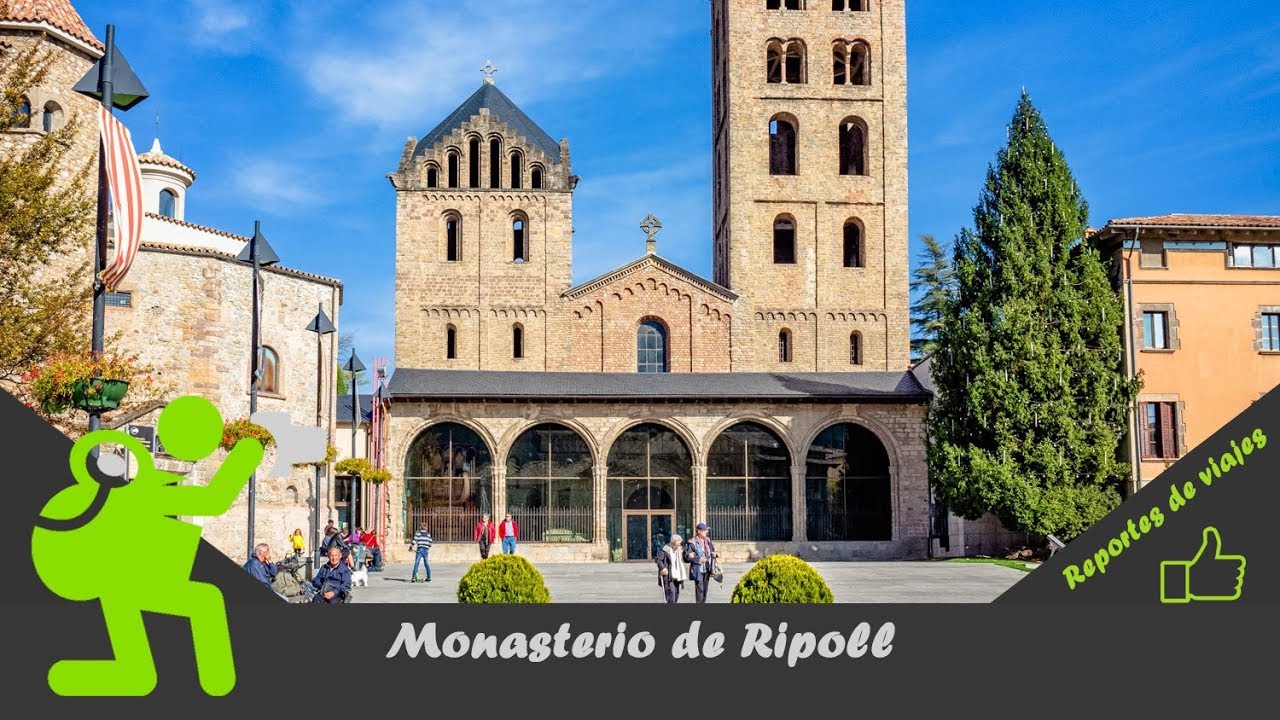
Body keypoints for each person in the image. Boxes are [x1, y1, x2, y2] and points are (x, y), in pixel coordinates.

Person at [683, 522, 718, 604]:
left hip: (707, 568)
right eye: (704, 530)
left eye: (707, 530)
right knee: (700, 590)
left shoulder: (708, 540)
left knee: (705, 590)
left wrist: (714, 554)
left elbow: (712, 550)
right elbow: (687, 556)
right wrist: (698, 559)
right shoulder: (692, 542)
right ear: (699, 531)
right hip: (698, 569)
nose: (706, 531)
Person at [655, 534, 688, 604]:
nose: (678, 546)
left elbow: (686, 559)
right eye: (677, 545)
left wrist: (689, 555)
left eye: (679, 544)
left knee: (676, 594)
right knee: (671, 595)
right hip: (669, 577)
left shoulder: (680, 550)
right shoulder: (665, 550)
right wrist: (663, 568)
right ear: (672, 543)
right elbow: (658, 559)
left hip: (678, 576)